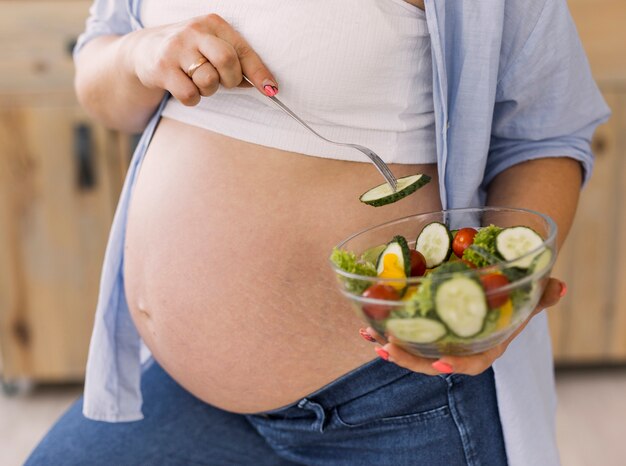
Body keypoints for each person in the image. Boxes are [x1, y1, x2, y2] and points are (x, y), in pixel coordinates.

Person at [26, 0, 609, 465]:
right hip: (185, 393)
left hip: (393, 401)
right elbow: (99, 77)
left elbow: (544, 135)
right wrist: (139, 52)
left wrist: (493, 293)